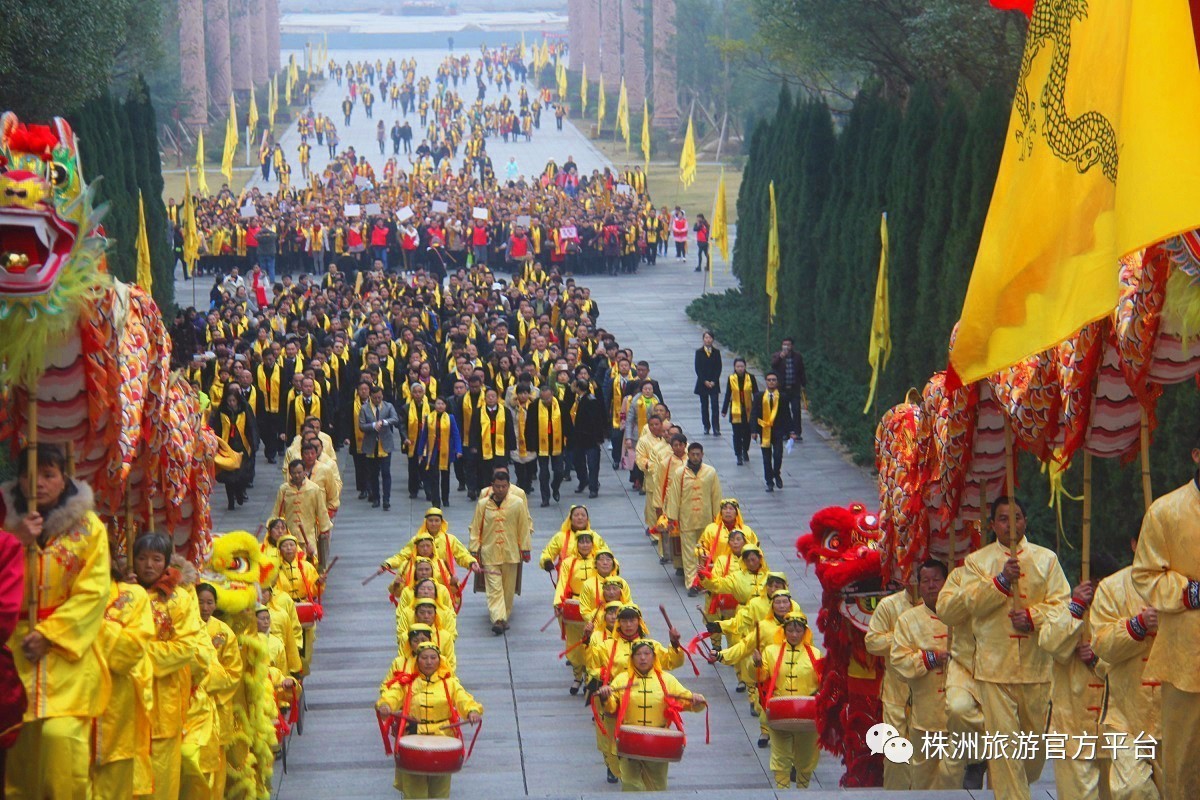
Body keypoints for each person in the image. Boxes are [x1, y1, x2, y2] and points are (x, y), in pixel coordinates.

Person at [937, 496, 1071, 800]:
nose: (1011, 524)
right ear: (993, 524)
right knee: (1006, 751)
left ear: (1026, 521)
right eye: (1003, 519)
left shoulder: (1046, 559)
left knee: (1032, 756)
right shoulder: (977, 562)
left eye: (1018, 517)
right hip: (993, 670)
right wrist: (998, 583)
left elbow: (1063, 607)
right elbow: (969, 606)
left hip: (1037, 671)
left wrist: (1034, 617)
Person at [2, 445, 111, 799]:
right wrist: (13, 542)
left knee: (63, 749)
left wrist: (50, 633)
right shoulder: (5, 524)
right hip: (14, 657)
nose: (38, 484)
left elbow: (93, 592)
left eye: (48, 475)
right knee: (20, 768)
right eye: (29, 476)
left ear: (65, 478)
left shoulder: (90, 528)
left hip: (67, 659)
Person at [1130, 437, 1200, 800]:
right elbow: (1144, 574)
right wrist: (1190, 592)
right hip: (1185, 658)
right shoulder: (1166, 510)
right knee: (1182, 760)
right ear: (1196, 453)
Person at [1091, 531, 1162, 800]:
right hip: (1126, 713)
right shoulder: (1111, 588)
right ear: (1133, 543)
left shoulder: (1187, 585)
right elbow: (1101, 642)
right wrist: (1138, 625)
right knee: (1133, 789)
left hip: (1175, 712)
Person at [1038, 554, 1116, 800]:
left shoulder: (1119, 612)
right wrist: (1076, 607)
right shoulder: (1062, 610)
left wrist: (1096, 659)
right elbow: (1049, 643)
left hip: (1112, 723)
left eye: (1104, 581)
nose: (1097, 587)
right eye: (1093, 581)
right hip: (1071, 721)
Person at [133, 532, 204, 800]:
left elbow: (184, 648)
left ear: (166, 563)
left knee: (162, 783)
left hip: (164, 702)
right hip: (127, 703)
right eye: (141, 558)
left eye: (155, 559)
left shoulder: (179, 599)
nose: (148, 565)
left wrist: (133, 653)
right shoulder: (124, 594)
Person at [890, 559, 963, 790]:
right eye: (926, 581)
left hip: (961, 715)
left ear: (947, 581)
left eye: (937, 580)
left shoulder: (963, 616)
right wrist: (930, 659)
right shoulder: (908, 620)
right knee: (923, 777)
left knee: (954, 776)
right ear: (918, 586)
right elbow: (899, 660)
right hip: (926, 715)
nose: (932, 586)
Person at [376, 643, 482, 798]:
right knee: (414, 789)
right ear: (417, 660)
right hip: (413, 734)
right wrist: (385, 705)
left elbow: (463, 698)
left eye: (433, 658)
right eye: (424, 658)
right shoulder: (408, 682)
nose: (429, 662)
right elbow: (392, 696)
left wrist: (472, 711)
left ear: (439, 660)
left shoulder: (449, 682)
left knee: (440, 790)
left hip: (442, 735)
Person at [599, 640, 706, 791]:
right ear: (632, 658)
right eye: (638, 654)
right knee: (630, 784)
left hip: (657, 742)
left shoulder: (667, 680)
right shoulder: (622, 679)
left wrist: (697, 700)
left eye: (646, 654)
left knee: (657, 787)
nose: (642, 658)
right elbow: (611, 708)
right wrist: (605, 697)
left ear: (653, 657)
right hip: (630, 741)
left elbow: (686, 699)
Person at [92, 550, 154, 799]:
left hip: (116, 719)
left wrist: (89, 616)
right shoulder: (51, 595)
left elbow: (128, 654)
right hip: (68, 712)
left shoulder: (132, 596)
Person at [755, 613, 822, 789]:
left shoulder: (814, 653)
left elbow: (822, 682)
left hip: (806, 714)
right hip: (779, 712)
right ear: (784, 631)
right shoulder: (771, 651)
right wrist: (756, 665)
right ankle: (783, 792)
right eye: (790, 630)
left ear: (804, 632)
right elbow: (762, 678)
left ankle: (802, 790)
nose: (794, 634)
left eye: (798, 630)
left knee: (806, 756)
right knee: (780, 755)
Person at [865, 579, 919, 790]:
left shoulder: (943, 606)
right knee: (895, 756)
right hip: (896, 693)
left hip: (933, 695)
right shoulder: (889, 605)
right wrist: (901, 638)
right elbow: (872, 642)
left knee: (930, 758)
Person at [469, 470, 533, 634]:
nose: (500, 489)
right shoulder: (483, 504)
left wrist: (525, 549)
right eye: (497, 486)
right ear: (492, 486)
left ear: (508, 486)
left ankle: (504, 615)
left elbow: (524, 527)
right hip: (489, 553)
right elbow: (476, 528)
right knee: (493, 589)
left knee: (508, 589)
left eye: (504, 486)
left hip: (511, 552)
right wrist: (474, 550)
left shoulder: (517, 502)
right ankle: (498, 619)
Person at [665, 442, 723, 592]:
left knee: (704, 552)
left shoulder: (711, 472)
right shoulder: (680, 473)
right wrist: (672, 517)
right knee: (689, 553)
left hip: (705, 519)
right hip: (687, 518)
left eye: (698, 454)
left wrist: (718, 518)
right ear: (688, 454)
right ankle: (692, 583)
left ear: (702, 455)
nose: (695, 457)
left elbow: (716, 496)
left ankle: (704, 580)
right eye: (693, 454)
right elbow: (674, 496)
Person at [273, 459, 333, 563]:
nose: (297, 475)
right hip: (289, 534)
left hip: (308, 534)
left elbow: (321, 510)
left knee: (310, 563)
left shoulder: (314, 489)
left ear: (305, 472)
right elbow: (277, 511)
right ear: (290, 473)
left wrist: (324, 529)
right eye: (294, 473)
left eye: (299, 472)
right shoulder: (284, 489)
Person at [211, 385, 257, 510]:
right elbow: (216, 428)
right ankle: (230, 501)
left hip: (242, 446)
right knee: (228, 476)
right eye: (229, 401)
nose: (231, 403)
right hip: (227, 447)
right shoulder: (221, 412)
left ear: (237, 401)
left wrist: (254, 443)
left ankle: (239, 492)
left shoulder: (245, 410)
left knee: (241, 475)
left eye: (233, 401)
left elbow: (251, 427)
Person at [752, 372, 795, 492]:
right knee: (766, 458)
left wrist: (791, 430)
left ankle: (777, 473)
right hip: (764, 430)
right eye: (769, 380)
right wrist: (754, 431)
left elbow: (787, 414)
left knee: (777, 455)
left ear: (777, 382)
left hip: (778, 431)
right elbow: (754, 414)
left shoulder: (783, 397)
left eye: (774, 380)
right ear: (766, 381)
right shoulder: (759, 396)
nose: (771, 382)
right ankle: (769, 482)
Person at [360, 384, 400, 510]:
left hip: (385, 444)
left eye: (379, 397)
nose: (377, 400)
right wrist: (373, 425)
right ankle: (376, 497)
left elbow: (395, 419)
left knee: (386, 473)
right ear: (370, 397)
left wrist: (384, 422)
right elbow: (361, 426)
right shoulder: (364, 408)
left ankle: (386, 499)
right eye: (375, 398)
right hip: (371, 445)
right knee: (373, 474)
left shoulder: (388, 406)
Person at [527, 383, 568, 507]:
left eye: (548, 398)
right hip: (541, 444)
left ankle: (555, 487)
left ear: (552, 395)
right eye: (543, 399)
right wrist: (531, 445)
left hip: (558, 443)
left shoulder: (561, 405)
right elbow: (529, 427)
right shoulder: (534, 407)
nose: (546, 401)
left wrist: (569, 440)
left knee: (559, 471)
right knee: (544, 473)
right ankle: (545, 497)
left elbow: (567, 424)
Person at [418, 396, 463, 508]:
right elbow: (423, 436)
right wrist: (420, 452)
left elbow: (456, 435)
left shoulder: (450, 418)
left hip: (446, 451)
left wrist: (458, 450)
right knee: (434, 476)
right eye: (438, 403)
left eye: (442, 404)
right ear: (435, 405)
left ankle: (445, 498)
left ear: (446, 406)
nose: (440, 406)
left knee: (445, 476)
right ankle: (436, 500)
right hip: (432, 452)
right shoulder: (429, 418)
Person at [569, 378, 606, 498]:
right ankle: (583, 481)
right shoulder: (576, 399)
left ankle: (593, 487)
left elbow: (598, 420)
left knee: (592, 464)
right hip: (577, 438)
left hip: (590, 438)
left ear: (578, 388)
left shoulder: (591, 400)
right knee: (578, 462)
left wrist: (599, 437)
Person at [722, 357, 758, 465]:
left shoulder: (750, 377)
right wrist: (724, 409)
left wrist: (758, 408)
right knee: (737, 433)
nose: (740, 368)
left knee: (747, 432)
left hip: (749, 409)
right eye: (738, 366)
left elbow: (756, 393)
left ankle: (745, 450)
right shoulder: (731, 378)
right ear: (734, 367)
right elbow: (728, 394)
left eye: (742, 366)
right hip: (735, 409)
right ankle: (738, 454)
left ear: (745, 367)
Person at [770, 338, 806, 440]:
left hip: (794, 388)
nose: (786, 347)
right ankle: (785, 432)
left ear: (792, 346)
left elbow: (801, 370)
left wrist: (803, 384)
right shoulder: (777, 355)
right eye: (784, 345)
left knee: (796, 410)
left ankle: (797, 432)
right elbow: (773, 366)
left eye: (788, 345)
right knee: (783, 410)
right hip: (782, 388)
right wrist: (780, 357)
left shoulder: (797, 356)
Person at [693, 331, 722, 436]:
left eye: (710, 338)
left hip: (714, 383)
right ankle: (706, 426)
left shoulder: (716, 352)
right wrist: (704, 381)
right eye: (706, 338)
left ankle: (716, 427)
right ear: (703, 339)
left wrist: (714, 381)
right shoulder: (699, 352)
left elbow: (719, 368)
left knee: (715, 406)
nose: (708, 340)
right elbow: (698, 369)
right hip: (702, 383)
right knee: (704, 406)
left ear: (713, 340)